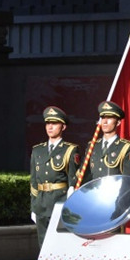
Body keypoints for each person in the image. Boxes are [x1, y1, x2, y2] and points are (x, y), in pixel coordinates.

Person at [30, 106, 80, 248]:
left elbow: (73, 180)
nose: (50, 127)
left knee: (59, 245)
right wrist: (33, 207)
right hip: (41, 203)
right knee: (43, 244)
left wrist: (69, 202)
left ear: (63, 127)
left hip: (59, 202)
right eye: (48, 123)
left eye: (54, 123)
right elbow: (33, 181)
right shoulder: (37, 150)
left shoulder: (70, 150)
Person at [86, 100, 130, 179]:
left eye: (109, 118)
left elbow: (128, 179)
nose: (105, 122)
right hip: (94, 190)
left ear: (118, 122)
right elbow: (85, 172)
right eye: (103, 117)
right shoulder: (92, 145)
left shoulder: (126, 147)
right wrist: (72, 185)